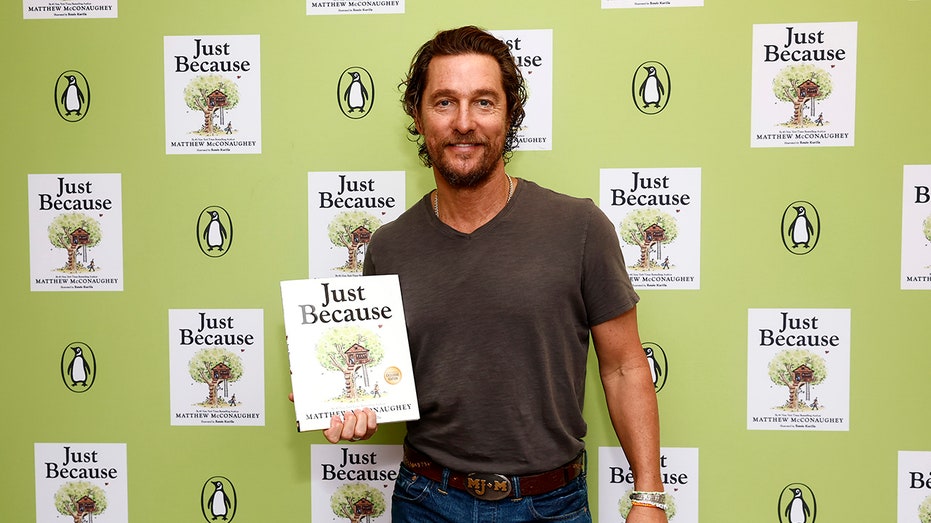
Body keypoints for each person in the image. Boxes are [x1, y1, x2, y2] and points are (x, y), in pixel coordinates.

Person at [322, 26, 667, 522]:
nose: (464, 122)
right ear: (418, 117)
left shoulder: (580, 226)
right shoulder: (388, 246)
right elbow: (382, 381)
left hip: (551, 506)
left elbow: (625, 367)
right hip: (426, 503)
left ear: (509, 115)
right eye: (444, 102)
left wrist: (649, 496)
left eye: (483, 102)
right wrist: (342, 396)